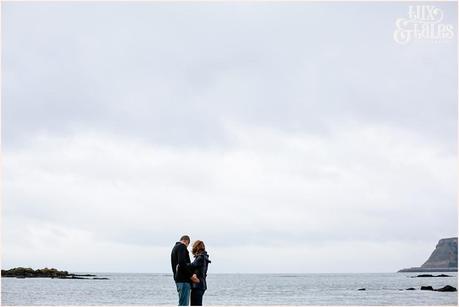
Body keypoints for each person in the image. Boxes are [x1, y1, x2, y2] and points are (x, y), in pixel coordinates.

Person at [171, 235, 199, 306]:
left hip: (178, 279)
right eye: (187, 245)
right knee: (184, 304)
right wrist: (191, 276)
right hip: (183, 280)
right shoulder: (182, 247)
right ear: (186, 241)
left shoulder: (174, 248)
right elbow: (182, 263)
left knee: (182, 303)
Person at [189, 240, 211, 306]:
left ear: (196, 247)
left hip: (198, 285)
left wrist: (181, 265)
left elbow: (192, 266)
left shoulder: (200, 257)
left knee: (195, 304)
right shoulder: (204, 257)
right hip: (201, 285)